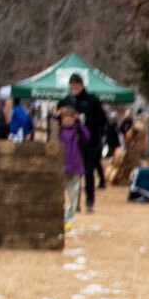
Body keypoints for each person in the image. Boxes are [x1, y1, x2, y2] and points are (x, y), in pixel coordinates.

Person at [57, 75, 107, 210]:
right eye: (71, 85)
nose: (73, 87)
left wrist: (83, 118)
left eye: (76, 85)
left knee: (88, 171)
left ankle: (89, 201)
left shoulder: (92, 100)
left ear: (81, 85)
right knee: (73, 174)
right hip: (71, 143)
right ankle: (75, 201)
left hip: (90, 142)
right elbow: (58, 118)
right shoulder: (65, 100)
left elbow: (101, 119)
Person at [56, 104, 89, 229]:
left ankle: (69, 218)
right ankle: (59, 216)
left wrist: (80, 123)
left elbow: (87, 138)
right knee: (59, 194)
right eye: (65, 117)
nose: (68, 120)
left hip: (75, 167)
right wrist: (56, 118)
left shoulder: (78, 131)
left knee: (74, 194)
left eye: (70, 117)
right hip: (61, 167)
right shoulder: (58, 131)